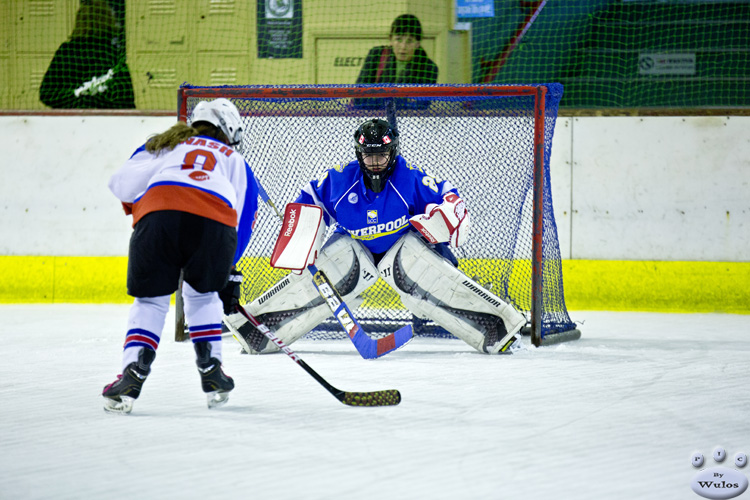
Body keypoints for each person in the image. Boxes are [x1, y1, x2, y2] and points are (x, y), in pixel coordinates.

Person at [225, 118, 526, 357]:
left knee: (417, 266)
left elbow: (449, 196)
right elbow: (310, 198)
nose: (376, 161)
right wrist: (305, 232)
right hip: (356, 249)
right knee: (337, 268)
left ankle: (499, 326)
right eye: (369, 155)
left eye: (381, 154)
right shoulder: (342, 178)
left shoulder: (409, 177)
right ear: (359, 154)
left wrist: (445, 218)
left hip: (402, 247)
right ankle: (255, 330)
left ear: (392, 152)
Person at [102, 98, 259, 414]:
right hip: (213, 224)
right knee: (202, 297)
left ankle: (132, 373)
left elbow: (120, 185)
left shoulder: (162, 146)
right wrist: (229, 268)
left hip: (159, 218)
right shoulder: (234, 159)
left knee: (150, 301)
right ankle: (211, 370)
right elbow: (243, 215)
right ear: (228, 130)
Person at [39, 0, 135, 109]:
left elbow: (46, 94)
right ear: (107, 21)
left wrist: (77, 99)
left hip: (69, 122)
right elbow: (126, 99)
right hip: (105, 122)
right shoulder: (112, 54)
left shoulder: (66, 52)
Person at [356, 14, 438, 85]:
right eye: (398, 39)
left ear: (417, 44)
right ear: (390, 39)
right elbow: (359, 93)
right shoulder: (376, 55)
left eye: (409, 41)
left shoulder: (429, 68)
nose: (403, 46)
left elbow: (422, 102)